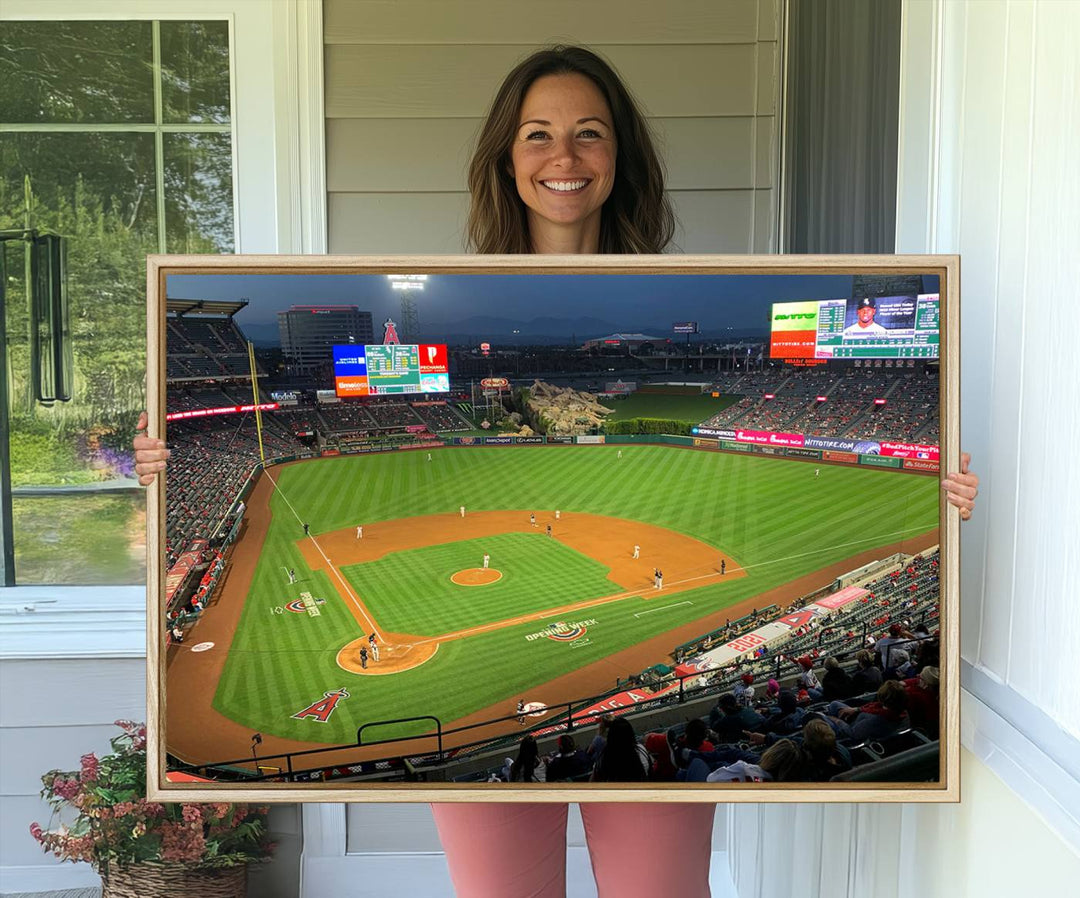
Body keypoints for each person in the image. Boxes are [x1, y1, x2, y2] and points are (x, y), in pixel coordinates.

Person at [132, 43, 981, 898]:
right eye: (537, 134)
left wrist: (952, 495)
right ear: (506, 156)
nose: (563, 157)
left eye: (589, 133)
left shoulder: (698, 279)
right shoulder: (469, 275)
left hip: (639, 752)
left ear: (621, 157)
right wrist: (155, 466)